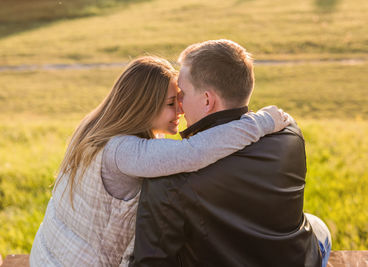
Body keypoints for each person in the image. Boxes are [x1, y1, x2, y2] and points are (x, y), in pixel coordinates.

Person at [29, 56, 290, 266]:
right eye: (170, 103)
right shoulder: (122, 152)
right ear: (143, 105)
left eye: (179, 99)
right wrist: (263, 122)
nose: (180, 110)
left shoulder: (94, 128)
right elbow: (194, 153)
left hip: (46, 256)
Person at [129, 40, 332, 267]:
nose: (180, 105)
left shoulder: (168, 175)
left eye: (183, 94)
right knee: (318, 226)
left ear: (207, 100)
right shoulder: (288, 132)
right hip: (296, 259)